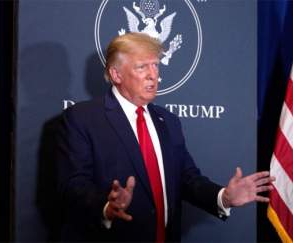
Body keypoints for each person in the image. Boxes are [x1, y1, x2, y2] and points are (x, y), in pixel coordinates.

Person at [56, 32, 274, 242]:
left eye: (156, 65)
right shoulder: (83, 118)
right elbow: (74, 185)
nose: (154, 75)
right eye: (142, 67)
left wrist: (223, 197)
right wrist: (107, 207)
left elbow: (188, 178)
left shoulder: (167, 121)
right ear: (116, 75)